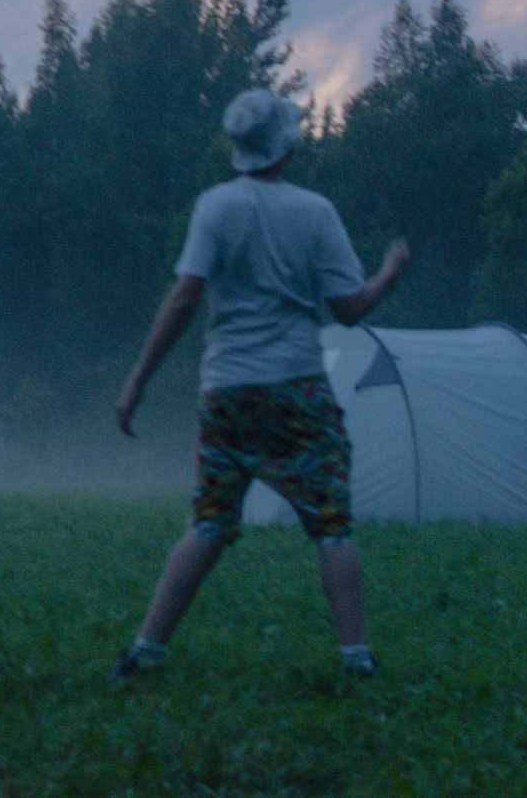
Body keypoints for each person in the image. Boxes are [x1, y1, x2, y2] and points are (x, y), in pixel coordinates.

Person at [111, 87, 410, 681]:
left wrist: (139, 378)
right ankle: (357, 659)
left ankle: (145, 653)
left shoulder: (215, 208)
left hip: (227, 390)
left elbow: (184, 298)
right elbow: (349, 309)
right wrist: (390, 271)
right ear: (288, 148)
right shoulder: (315, 212)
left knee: (210, 522)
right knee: (330, 522)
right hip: (298, 387)